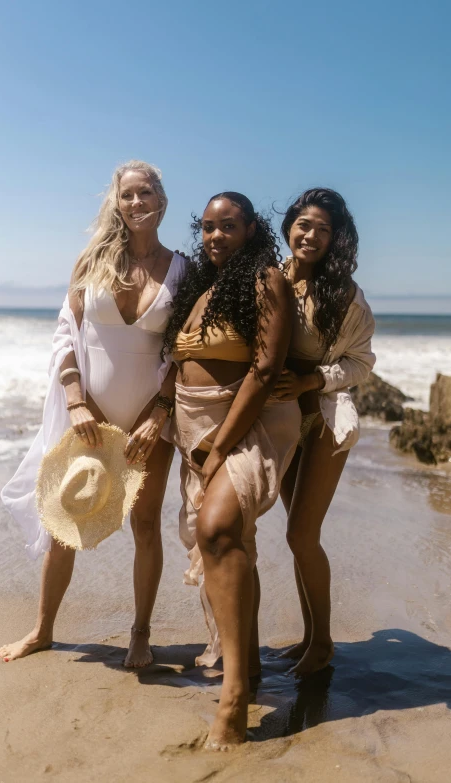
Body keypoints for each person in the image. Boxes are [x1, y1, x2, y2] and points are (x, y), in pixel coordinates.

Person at [0, 160, 187, 668]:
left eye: (145, 193)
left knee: (146, 525)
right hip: (89, 417)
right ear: (116, 202)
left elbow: (185, 350)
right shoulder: (92, 261)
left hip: (153, 422)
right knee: (68, 519)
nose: (136, 203)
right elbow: (65, 333)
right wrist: (78, 400)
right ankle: (42, 630)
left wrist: (160, 413)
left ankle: (140, 636)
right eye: (127, 195)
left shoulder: (182, 269)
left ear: (162, 201)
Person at [163, 192, 301, 748]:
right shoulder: (203, 288)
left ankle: (235, 698)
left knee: (217, 529)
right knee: (230, 540)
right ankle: (249, 663)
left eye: (229, 226)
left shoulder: (265, 280)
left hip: (247, 423)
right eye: (208, 227)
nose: (216, 236)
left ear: (251, 230)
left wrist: (221, 445)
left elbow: (266, 369)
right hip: (195, 428)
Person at [273, 187, 376, 675]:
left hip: (324, 421)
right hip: (280, 421)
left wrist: (314, 378)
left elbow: (361, 363)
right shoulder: (269, 279)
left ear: (336, 239)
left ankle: (323, 643)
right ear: (289, 226)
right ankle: (311, 635)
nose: (311, 235)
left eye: (323, 229)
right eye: (304, 224)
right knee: (296, 535)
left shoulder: (344, 295)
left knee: (301, 534)